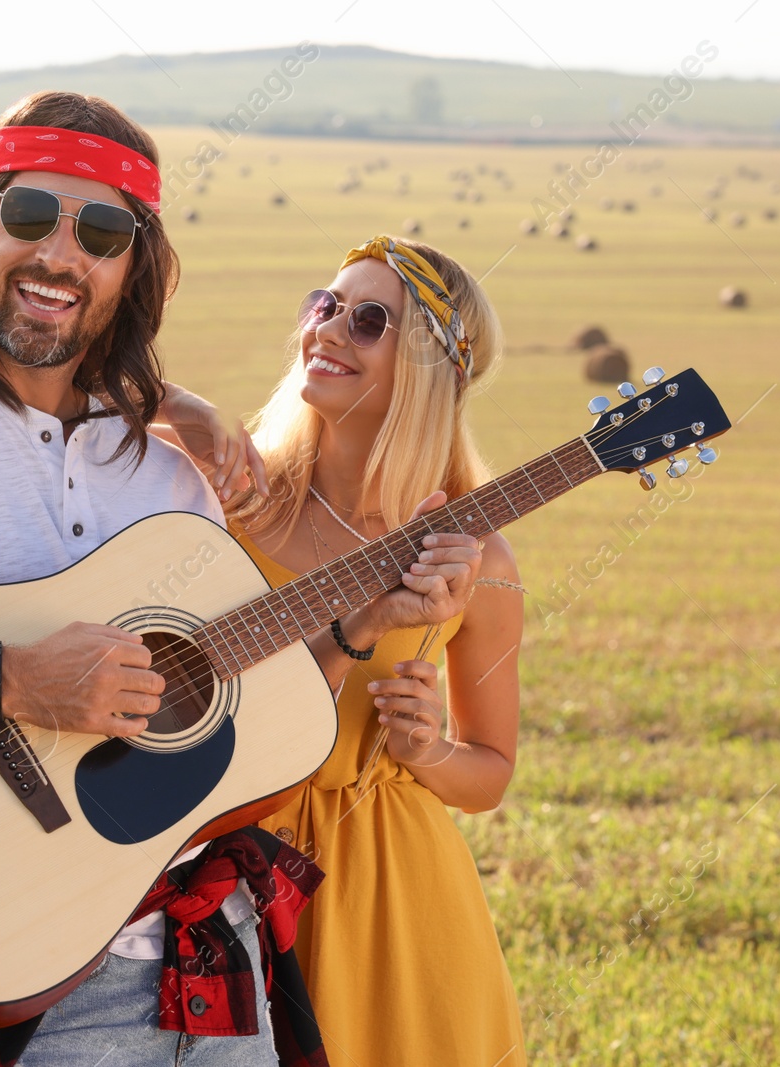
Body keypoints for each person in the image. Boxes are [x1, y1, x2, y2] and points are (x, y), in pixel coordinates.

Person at [0, 90, 482, 1067]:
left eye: (100, 231)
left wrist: (354, 630)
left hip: (214, 959)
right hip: (28, 969)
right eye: (30, 217)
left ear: (131, 269)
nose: (60, 254)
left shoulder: (164, 469)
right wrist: (8, 678)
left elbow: (231, 721)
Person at [207, 235, 528, 1066]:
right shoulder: (229, 499)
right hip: (221, 855)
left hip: (394, 895)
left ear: (426, 367)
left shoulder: (475, 559)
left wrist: (430, 748)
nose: (329, 328)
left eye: (369, 318)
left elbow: (489, 772)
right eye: (325, 303)